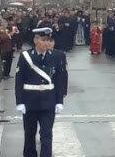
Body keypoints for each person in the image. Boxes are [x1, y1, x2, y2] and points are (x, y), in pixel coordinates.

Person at [15, 26, 67, 157]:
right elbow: (19, 80)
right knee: (29, 134)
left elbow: (60, 80)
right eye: (43, 40)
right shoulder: (26, 56)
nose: (46, 43)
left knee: (46, 134)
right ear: (36, 40)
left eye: (48, 40)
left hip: (48, 101)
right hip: (30, 101)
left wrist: (59, 101)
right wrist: (19, 102)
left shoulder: (55, 56)